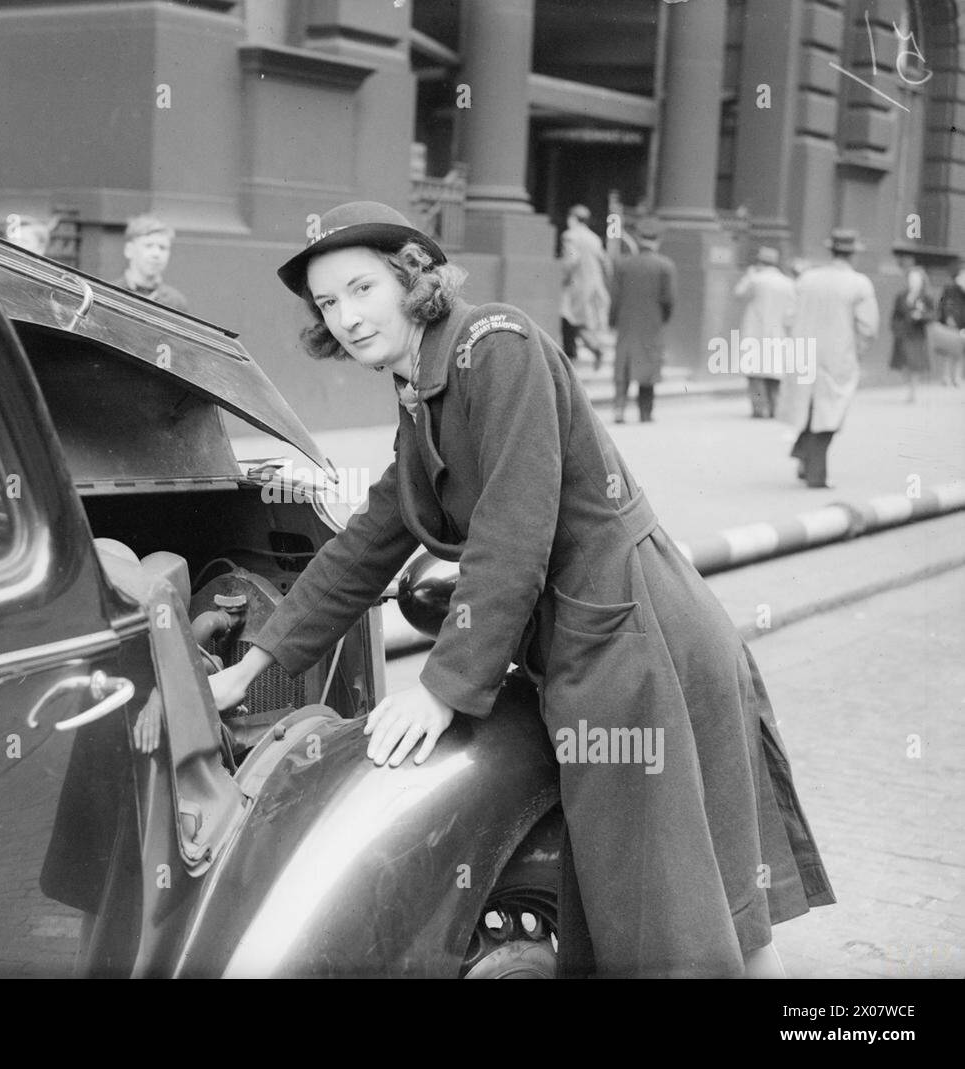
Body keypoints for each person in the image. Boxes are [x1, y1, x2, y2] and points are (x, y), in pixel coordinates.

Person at [208, 200, 835, 978]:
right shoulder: (421, 391)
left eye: (362, 288)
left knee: (677, 918)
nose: (346, 316)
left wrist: (441, 688)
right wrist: (254, 661)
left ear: (412, 278)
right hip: (599, 646)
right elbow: (370, 541)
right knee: (698, 905)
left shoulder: (492, 345)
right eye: (328, 303)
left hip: (638, 642)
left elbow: (513, 532)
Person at [780, 229, 879, 489]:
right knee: (829, 414)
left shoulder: (807, 278)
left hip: (804, 352)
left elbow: (788, 318)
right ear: (853, 253)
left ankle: (803, 457)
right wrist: (857, 351)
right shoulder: (859, 283)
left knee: (809, 408)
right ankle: (816, 474)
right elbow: (869, 327)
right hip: (837, 355)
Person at [609, 217, 675, 423]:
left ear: (638, 238)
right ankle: (645, 412)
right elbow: (669, 299)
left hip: (627, 322)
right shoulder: (666, 266)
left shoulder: (623, 263)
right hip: (652, 323)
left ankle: (619, 409)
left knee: (623, 364)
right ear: (658, 239)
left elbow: (615, 296)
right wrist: (663, 318)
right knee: (649, 364)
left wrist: (613, 320)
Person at [734, 246, 795, 418]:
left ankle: (759, 408)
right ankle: (775, 407)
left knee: (755, 374)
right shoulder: (787, 283)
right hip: (779, 333)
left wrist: (750, 274)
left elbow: (739, 293)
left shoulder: (755, 279)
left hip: (755, 332)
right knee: (774, 374)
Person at [558, 205, 611, 369]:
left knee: (568, 320)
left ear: (573, 218)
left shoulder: (570, 236)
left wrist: (563, 276)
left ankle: (571, 357)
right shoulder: (594, 238)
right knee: (578, 322)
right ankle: (593, 349)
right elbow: (605, 262)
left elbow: (572, 260)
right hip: (592, 286)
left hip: (576, 286)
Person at [110, 214, 189, 312]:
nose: (156, 254)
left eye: (162, 247)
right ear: (129, 250)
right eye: (148, 246)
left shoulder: (176, 302)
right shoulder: (111, 294)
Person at [889, 264, 934, 402]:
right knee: (903, 365)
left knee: (915, 364)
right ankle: (909, 386)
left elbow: (933, 315)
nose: (913, 281)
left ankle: (912, 392)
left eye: (916, 278)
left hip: (917, 334)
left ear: (921, 280)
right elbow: (895, 315)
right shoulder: (901, 296)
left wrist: (921, 316)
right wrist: (896, 328)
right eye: (911, 278)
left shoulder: (926, 297)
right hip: (903, 334)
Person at [933, 260, 965, 387]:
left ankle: (957, 377)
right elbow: (943, 303)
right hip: (952, 324)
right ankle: (946, 377)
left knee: (961, 351)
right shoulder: (949, 289)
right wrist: (948, 317)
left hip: (963, 325)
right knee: (949, 350)